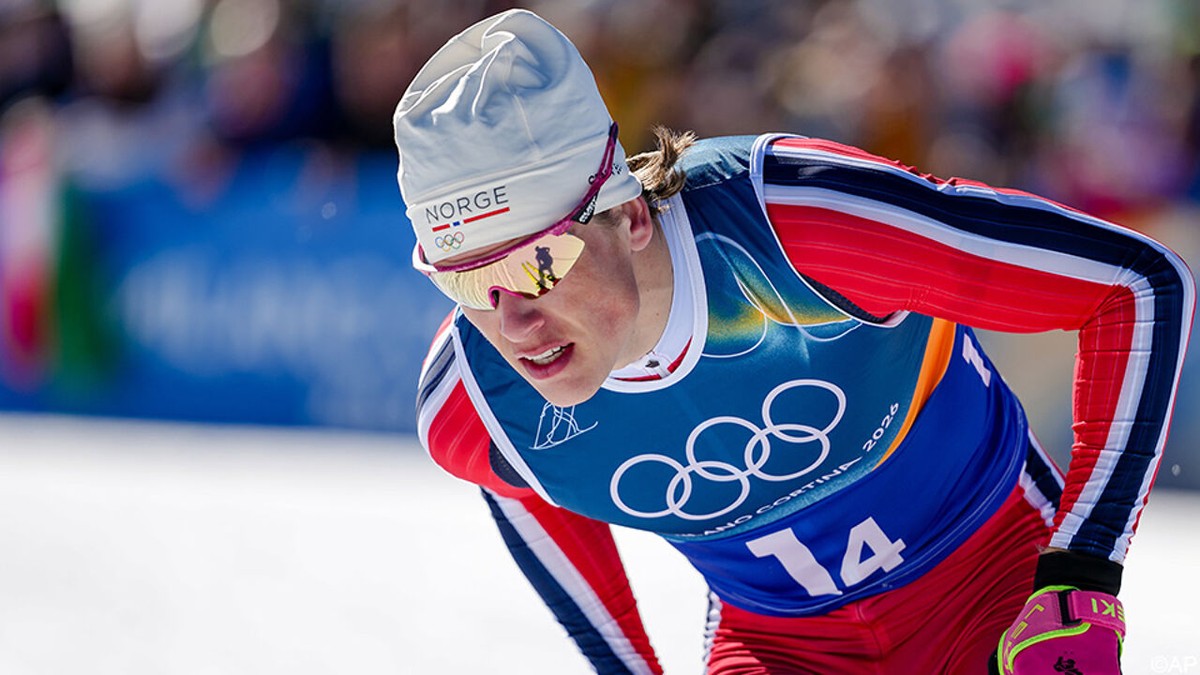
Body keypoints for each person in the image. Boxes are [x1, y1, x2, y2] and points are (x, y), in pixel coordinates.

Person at [393, 9, 1194, 674]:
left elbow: (1135, 284)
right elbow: (523, 479)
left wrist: (1082, 575)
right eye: (465, 282)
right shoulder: (476, 405)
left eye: (538, 264)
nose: (511, 323)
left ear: (629, 213)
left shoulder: (798, 230)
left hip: (994, 589)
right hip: (776, 648)